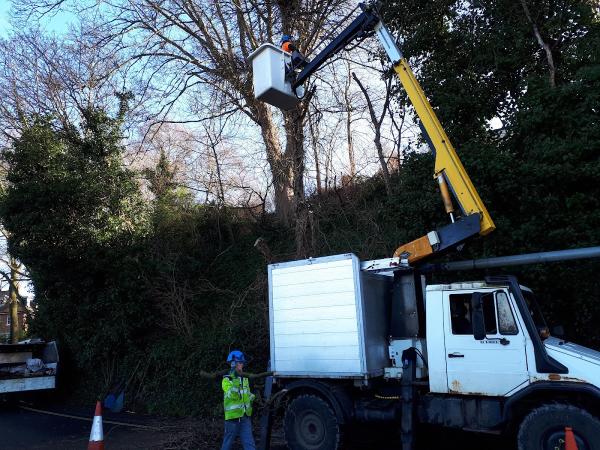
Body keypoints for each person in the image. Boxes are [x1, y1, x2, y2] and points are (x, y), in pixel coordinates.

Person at [220, 350, 256, 450]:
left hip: (245, 417)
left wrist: (253, 397)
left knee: (250, 444)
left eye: (242, 363)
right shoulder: (226, 380)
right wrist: (235, 379)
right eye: (240, 362)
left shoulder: (244, 379)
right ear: (233, 364)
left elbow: (246, 395)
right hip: (232, 419)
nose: (242, 365)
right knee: (227, 445)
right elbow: (232, 395)